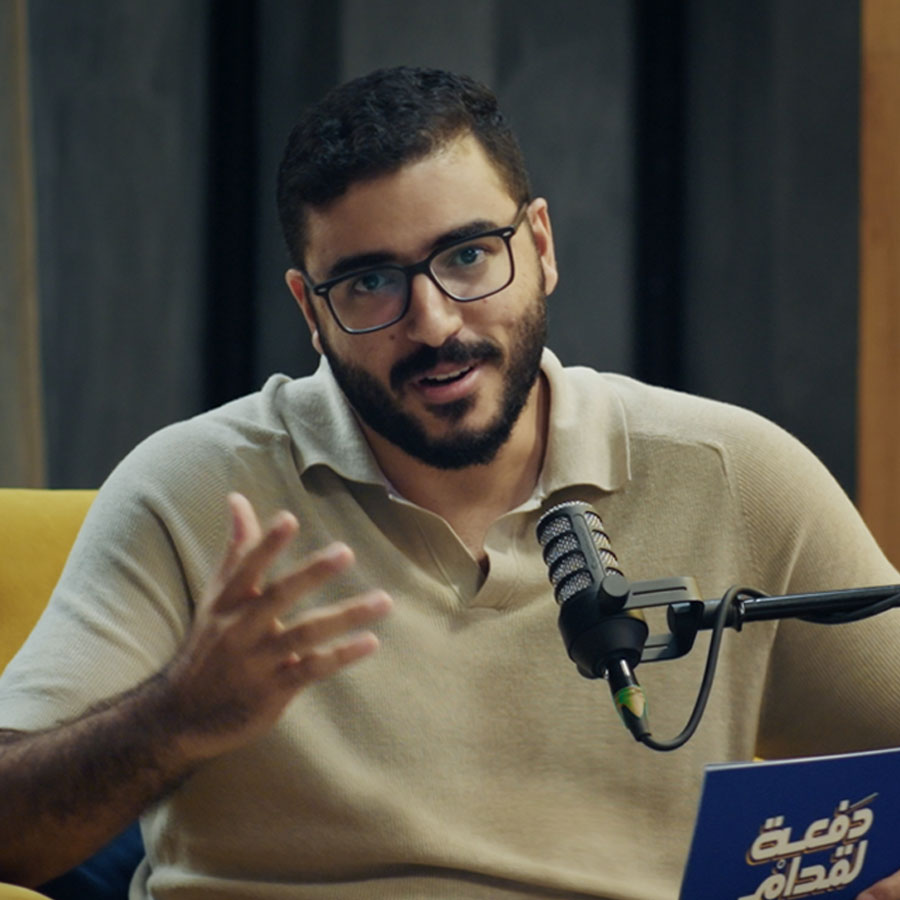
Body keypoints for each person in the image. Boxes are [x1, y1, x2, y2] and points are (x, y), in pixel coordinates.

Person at [0, 65, 898, 900]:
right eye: (370, 283)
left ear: (540, 245)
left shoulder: (732, 474)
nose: (432, 324)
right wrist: (177, 718)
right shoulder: (193, 490)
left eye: (468, 256)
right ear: (311, 312)